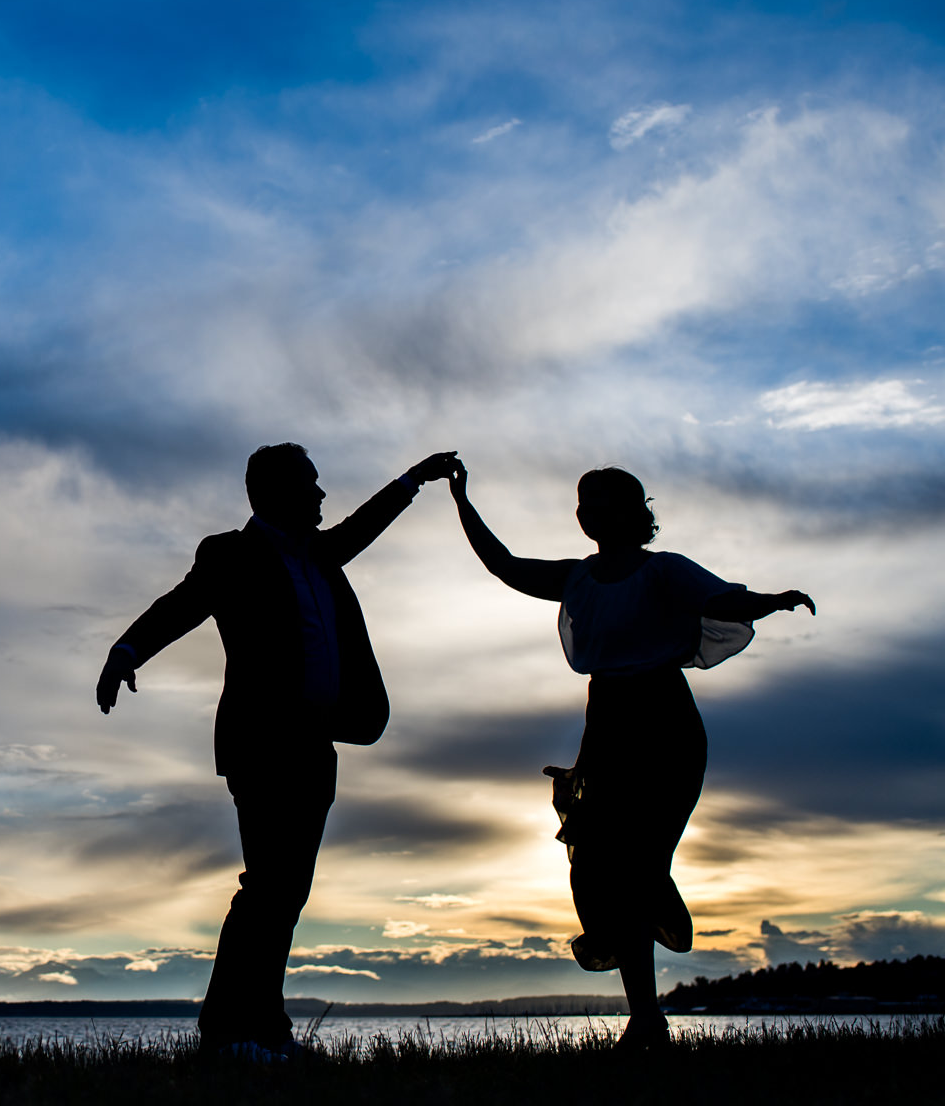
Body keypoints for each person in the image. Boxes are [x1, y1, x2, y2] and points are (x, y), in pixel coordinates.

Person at [96, 443, 459, 1061]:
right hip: (261, 745)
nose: (321, 497)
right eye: (310, 486)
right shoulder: (230, 554)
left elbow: (360, 527)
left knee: (287, 892)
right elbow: (180, 606)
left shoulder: (320, 553)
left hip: (317, 746)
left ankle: (264, 1028)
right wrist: (126, 651)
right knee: (267, 887)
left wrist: (413, 481)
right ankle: (224, 1032)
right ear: (275, 493)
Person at [447, 462, 814, 1051]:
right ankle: (646, 1017)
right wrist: (462, 500)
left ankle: (648, 1001)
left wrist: (773, 599)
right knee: (607, 870)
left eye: (597, 500)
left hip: (665, 725)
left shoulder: (663, 570)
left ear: (633, 510)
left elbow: (721, 597)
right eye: (579, 502)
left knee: (636, 865)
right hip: (608, 725)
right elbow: (506, 567)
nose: (584, 511)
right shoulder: (578, 579)